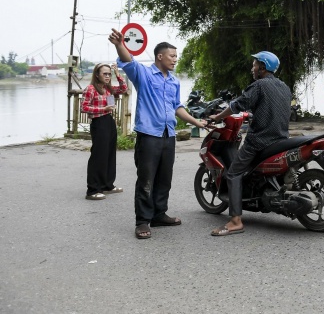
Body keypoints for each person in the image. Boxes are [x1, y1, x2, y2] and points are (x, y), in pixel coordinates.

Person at [108, 28, 208, 240]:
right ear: (160, 56)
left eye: (176, 57)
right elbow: (129, 62)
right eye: (172, 56)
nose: (175, 60)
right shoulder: (144, 75)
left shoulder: (173, 81)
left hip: (168, 135)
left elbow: (177, 107)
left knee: (165, 177)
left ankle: (159, 214)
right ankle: (142, 221)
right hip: (149, 135)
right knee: (146, 179)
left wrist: (196, 121)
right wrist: (119, 44)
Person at [209, 51, 292, 237]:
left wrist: (218, 116)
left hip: (259, 141)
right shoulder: (284, 87)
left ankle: (235, 221)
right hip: (280, 140)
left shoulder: (259, 86)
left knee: (233, 173)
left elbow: (237, 105)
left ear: (262, 67)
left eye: (254, 65)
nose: (252, 68)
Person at [81, 62, 128, 200]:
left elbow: (123, 89)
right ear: (97, 74)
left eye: (109, 74)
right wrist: (103, 110)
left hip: (109, 121)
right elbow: (84, 107)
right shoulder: (90, 89)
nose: (107, 76)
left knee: (109, 154)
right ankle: (92, 190)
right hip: (98, 122)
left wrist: (118, 74)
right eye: (105, 74)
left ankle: (107, 185)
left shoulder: (108, 89)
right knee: (98, 156)